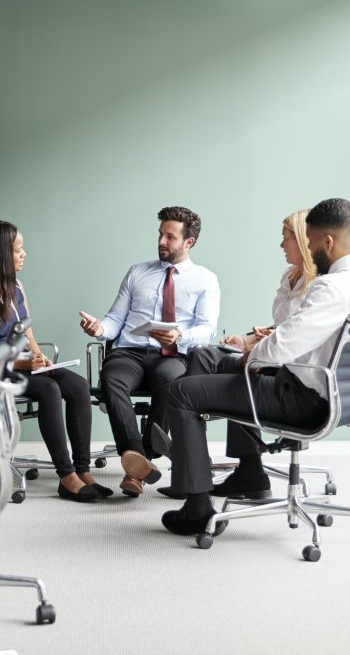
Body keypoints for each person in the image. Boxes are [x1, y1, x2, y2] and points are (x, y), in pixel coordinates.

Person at [158, 198, 350, 535]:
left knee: (181, 392)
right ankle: (243, 472)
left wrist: (250, 358)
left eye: (311, 243)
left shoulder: (333, 287)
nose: (311, 251)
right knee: (223, 366)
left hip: (303, 400)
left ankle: (196, 508)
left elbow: (285, 345)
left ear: (327, 242)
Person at [154, 208, 317, 500]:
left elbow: (300, 338)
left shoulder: (320, 287)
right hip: (272, 355)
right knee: (204, 354)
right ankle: (227, 464)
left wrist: (258, 349)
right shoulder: (290, 276)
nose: (281, 245)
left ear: (304, 241)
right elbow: (282, 327)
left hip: (286, 370)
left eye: (286, 239)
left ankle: (191, 459)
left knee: (231, 372)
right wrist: (246, 339)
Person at [0, 220, 108, 503]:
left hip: (23, 367)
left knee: (77, 385)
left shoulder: (16, 287)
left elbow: (27, 333)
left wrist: (39, 357)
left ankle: (83, 470)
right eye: (18, 250)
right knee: (49, 390)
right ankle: (67, 477)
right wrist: (21, 364)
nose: (23, 255)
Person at [78, 206, 221, 497]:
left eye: (170, 237)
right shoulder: (137, 272)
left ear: (188, 242)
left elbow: (207, 330)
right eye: (160, 234)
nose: (161, 242)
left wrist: (179, 334)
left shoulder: (205, 279)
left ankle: (139, 465)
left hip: (172, 354)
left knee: (173, 384)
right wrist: (99, 329)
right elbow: (115, 319)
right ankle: (137, 457)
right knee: (111, 379)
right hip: (129, 353)